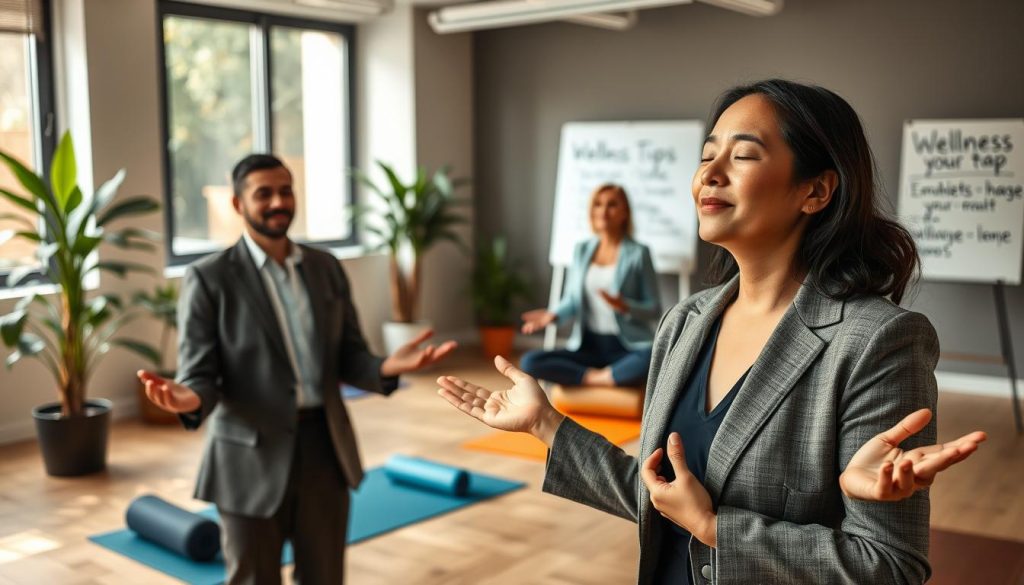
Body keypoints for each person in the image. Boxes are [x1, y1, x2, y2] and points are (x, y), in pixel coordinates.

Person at [437, 80, 987, 584]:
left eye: (743, 154)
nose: (710, 173)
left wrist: (718, 528)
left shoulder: (877, 342)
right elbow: (658, 495)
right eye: (707, 156)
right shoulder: (685, 323)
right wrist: (547, 424)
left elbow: (890, 565)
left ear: (815, 191)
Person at [138, 154, 456, 584]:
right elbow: (200, 373)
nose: (277, 202)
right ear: (238, 204)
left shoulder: (325, 267)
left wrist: (386, 366)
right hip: (248, 459)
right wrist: (187, 397)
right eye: (263, 193)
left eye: (285, 190)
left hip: (325, 449)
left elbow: (350, 356)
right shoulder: (209, 278)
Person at [519, 183, 661, 387]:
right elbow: (572, 299)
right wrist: (553, 315)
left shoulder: (639, 253)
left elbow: (654, 308)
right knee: (529, 361)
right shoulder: (581, 250)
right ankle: (600, 377)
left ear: (624, 213)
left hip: (626, 347)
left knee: (654, 357)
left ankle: (592, 376)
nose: (603, 210)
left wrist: (625, 306)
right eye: (598, 204)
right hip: (588, 346)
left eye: (612, 205)